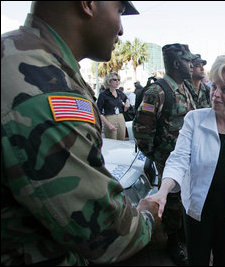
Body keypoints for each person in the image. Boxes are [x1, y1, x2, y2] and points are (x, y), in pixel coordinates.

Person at [1, 1, 161, 266]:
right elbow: (105, 234)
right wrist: (147, 218)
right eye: (119, 12)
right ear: (87, 4)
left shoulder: (16, 53)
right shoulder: (43, 89)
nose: (121, 30)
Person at [146, 55, 225, 266]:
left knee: (224, 260)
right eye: (214, 87)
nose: (216, 94)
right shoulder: (194, 119)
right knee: (197, 260)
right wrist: (163, 191)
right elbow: (179, 159)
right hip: (197, 210)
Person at [133, 43, 197, 266]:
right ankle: (172, 241)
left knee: (184, 198)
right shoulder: (157, 92)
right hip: (167, 161)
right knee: (171, 201)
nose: (192, 64)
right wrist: (158, 156)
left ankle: (181, 233)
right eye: (188, 61)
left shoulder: (186, 88)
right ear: (177, 63)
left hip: (186, 158)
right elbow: (142, 130)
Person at [97, 72, 130, 140]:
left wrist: (127, 103)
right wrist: (108, 124)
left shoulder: (119, 92)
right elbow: (98, 112)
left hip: (121, 117)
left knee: (122, 141)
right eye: (115, 80)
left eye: (118, 80)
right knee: (112, 142)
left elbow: (126, 98)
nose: (117, 81)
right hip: (110, 118)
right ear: (109, 81)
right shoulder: (103, 95)